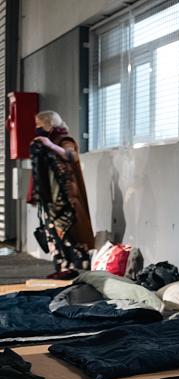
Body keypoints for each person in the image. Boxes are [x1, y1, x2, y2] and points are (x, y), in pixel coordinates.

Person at [28, 111, 95, 278]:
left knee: (68, 231)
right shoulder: (45, 144)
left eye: (39, 125)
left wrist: (49, 145)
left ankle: (73, 266)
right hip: (53, 198)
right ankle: (62, 267)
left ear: (49, 125)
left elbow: (71, 155)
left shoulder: (65, 141)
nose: (37, 129)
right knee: (54, 232)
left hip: (67, 198)